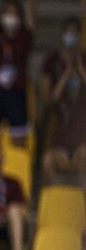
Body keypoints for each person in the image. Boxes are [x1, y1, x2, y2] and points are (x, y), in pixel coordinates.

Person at [0, 0, 36, 150]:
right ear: (2, 15)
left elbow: (30, 7)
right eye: (7, 13)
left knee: (18, 144)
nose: (10, 16)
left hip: (17, 92)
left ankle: (16, 170)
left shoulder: (25, 36)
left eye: (14, 13)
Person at [40, 24, 86, 186]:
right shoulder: (61, 103)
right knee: (47, 160)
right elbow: (50, 99)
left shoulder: (83, 102)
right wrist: (66, 75)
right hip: (62, 150)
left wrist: (80, 70)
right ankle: (53, 200)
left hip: (82, 148)